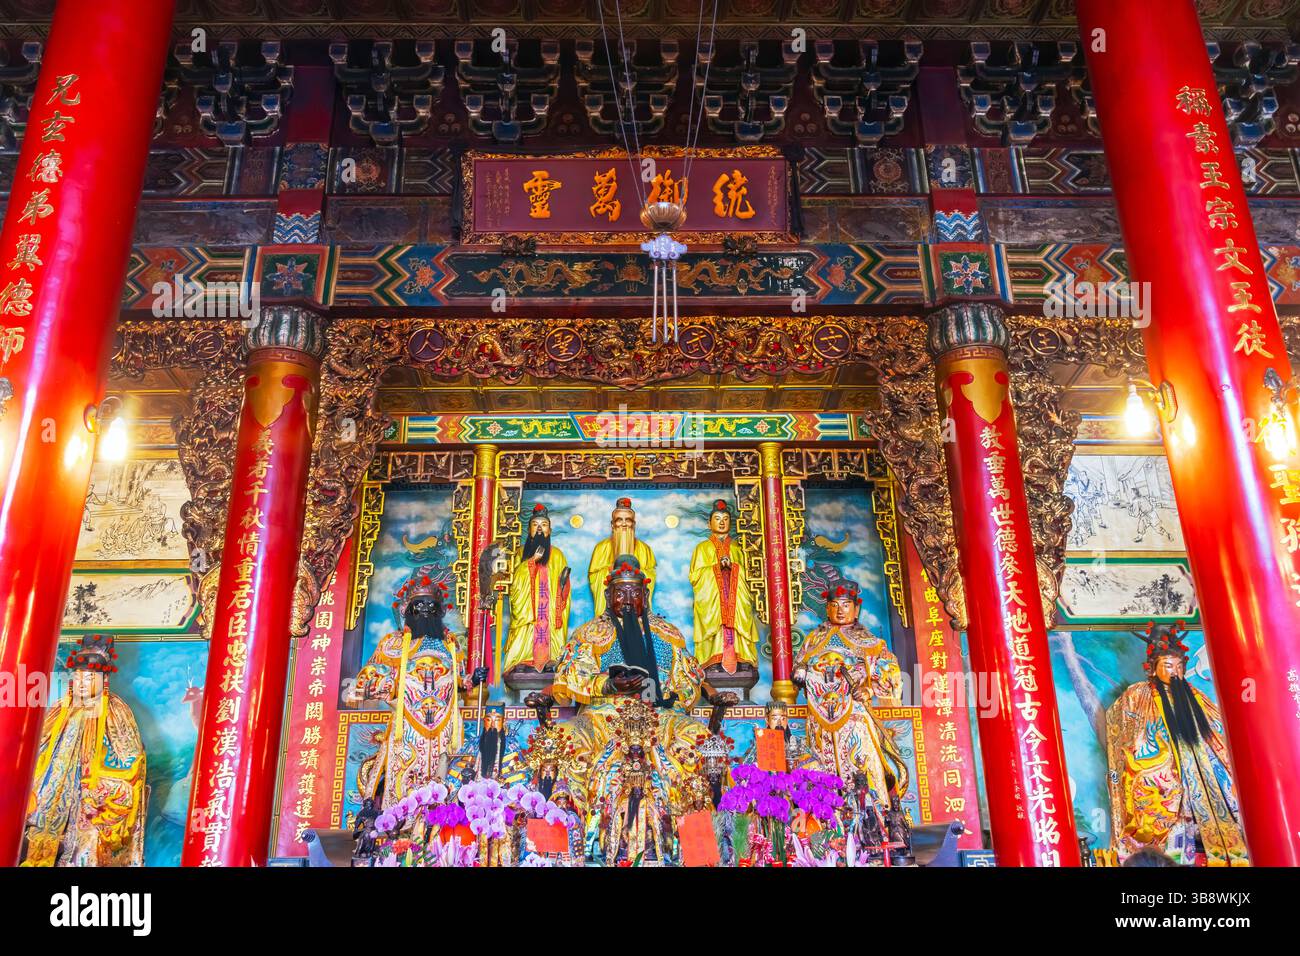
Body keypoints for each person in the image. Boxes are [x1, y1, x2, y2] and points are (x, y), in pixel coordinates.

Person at [1106, 622, 1248, 866]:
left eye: (1179, 666)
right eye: (1167, 666)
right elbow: (1129, 739)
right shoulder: (1137, 696)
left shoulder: (1194, 696)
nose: (1175, 672)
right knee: (1148, 787)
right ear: (1152, 669)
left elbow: (1216, 734)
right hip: (1162, 778)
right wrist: (1166, 769)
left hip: (1202, 784)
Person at [345, 569, 487, 808]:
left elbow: (458, 682)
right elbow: (366, 681)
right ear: (406, 611)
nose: (424, 611)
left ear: (439, 612)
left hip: (444, 725)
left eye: (430, 606)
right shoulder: (394, 644)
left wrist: (472, 679)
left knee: (444, 777)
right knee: (404, 774)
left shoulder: (450, 646)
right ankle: (399, 825)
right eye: (418, 606)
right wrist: (390, 686)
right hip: (408, 724)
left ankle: (440, 825)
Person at [23, 635, 147, 867]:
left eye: (89, 677)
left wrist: (97, 789)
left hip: (89, 800)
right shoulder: (61, 708)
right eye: (78, 675)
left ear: (104, 678)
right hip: (50, 794)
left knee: (86, 841)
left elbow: (130, 760)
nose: (82, 682)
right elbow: (37, 747)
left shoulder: (116, 711)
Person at [794, 581, 907, 817]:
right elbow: (799, 668)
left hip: (853, 715)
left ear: (856, 609)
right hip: (819, 718)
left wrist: (869, 690)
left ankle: (876, 815)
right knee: (822, 765)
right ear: (827, 608)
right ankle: (826, 820)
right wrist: (801, 674)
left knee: (862, 763)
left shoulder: (870, 643)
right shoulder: (813, 641)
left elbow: (889, 673)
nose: (840, 610)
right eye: (834, 605)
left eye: (846, 605)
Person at [688, 499, 759, 676]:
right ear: (709, 522)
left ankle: (742, 658)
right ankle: (713, 659)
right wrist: (716, 568)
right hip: (713, 599)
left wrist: (734, 567)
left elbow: (751, 575)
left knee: (738, 622)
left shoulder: (738, 548)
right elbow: (695, 577)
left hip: (736, 597)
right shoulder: (702, 548)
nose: (722, 522)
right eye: (718, 518)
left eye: (726, 518)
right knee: (715, 623)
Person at [503, 503, 571, 675]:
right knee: (527, 628)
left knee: (549, 629)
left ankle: (551, 659)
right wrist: (532, 560)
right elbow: (515, 582)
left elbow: (564, 585)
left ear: (549, 530)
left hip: (549, 607)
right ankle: (523, 659)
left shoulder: (557, 555)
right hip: (529, 609)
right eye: (535, 525)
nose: (540, 529)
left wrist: (563, 585)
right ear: (530, 529)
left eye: (544, 525)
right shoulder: (520, 553)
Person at [586, 497, 656, 618]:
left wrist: (635, 574)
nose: (624, 524)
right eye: (619, 520)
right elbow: (594, 577)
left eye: (628, 520)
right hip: (612, 602)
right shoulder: (601, 547)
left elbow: (651, 576)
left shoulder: (645, 549)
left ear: (634, 524)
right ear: (612, 524)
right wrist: (611, 571)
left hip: (635, 601)